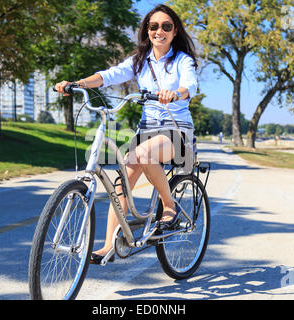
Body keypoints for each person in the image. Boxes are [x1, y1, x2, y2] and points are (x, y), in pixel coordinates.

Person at [55, 4, 198, 264]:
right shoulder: (139, 61)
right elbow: (109, 76)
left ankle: (169, 205)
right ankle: (109, 244)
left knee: (142, 153)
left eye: (166, 26)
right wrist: (77, 83)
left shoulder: (182, 60)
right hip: (147, 130)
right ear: (147, 30)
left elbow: (190, 83)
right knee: (122, 181)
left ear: (174, 31)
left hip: (177, 130)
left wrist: (177, 93)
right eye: (153, 26)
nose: (159, 31)